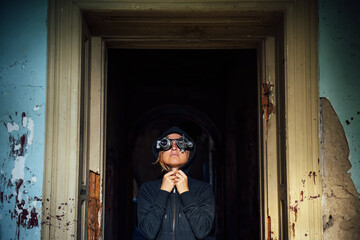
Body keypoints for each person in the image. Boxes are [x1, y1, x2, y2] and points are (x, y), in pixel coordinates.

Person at [137, 126, 215, 240]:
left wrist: (185, 192)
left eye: (181, 143)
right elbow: (148, 232)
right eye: (166, 143)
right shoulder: (148, 189)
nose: (174, 147)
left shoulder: (203, 189)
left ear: (189, 152)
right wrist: (163, 192)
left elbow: (202, 231)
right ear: (160, 152)